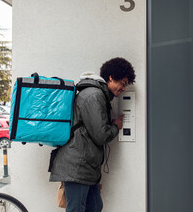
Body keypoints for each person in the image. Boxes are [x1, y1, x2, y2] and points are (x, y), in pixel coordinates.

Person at [49, 57, 136, 212]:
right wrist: (116, 126)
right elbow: (101, 135)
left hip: (86, 166)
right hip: (77, 166)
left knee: (95, 207)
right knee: (77, 208)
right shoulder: (94, 96)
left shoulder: (97, 95)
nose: (123, 89)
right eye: (122, 83)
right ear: (111, 77)